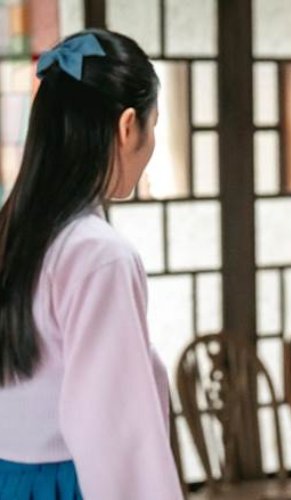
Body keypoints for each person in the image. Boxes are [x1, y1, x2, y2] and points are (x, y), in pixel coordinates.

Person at [0, 29, 183, 499]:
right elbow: (116, 436)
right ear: (128, 127)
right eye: (154, 125)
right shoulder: (98, 255)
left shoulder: (10, 234)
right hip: (64, 484)